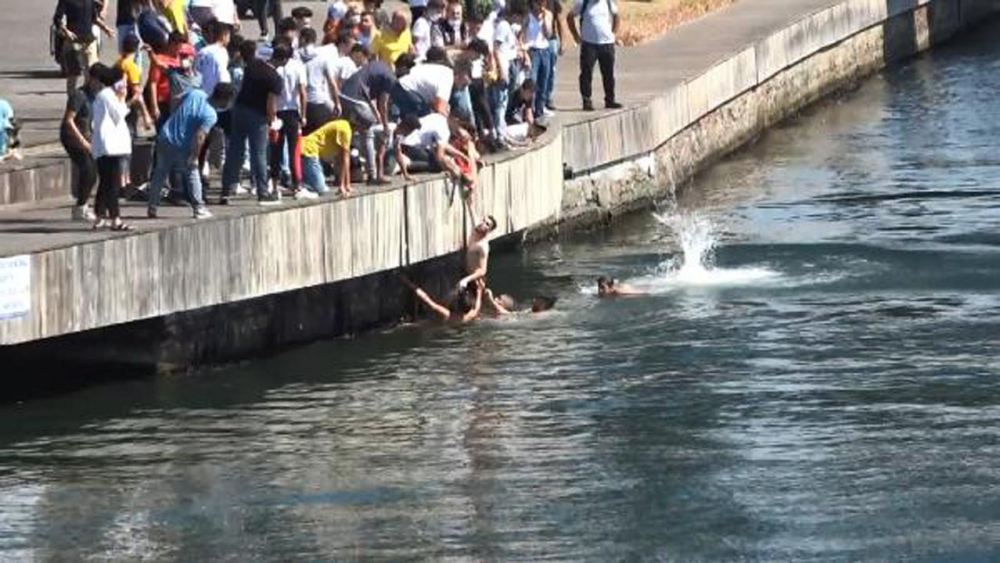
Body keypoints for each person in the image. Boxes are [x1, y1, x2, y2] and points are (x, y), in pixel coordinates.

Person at [148, 84, 236, 218]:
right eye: (230, 101)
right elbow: (200, 136)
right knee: (192, 173)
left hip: (165, 135)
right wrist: (195, 157)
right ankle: (199, 208)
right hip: (181, 144)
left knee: (160, 173)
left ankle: (152, 207)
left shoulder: (196, 93)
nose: (230, 104)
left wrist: (176, 117)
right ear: (225, 99)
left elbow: (176, 99)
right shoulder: (211, 114)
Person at [221, 40, 284, 205]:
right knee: (259, 154)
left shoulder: (252, 67)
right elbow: (271, 103)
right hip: (257, 116)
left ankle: (225, 190)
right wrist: (272, 122)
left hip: (239, 110)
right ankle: (263, 192)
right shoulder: (275, 78)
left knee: (235, 151)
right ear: (284, 61)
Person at [339, 56, 407, 184]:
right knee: (368, 132)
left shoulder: (379, 66)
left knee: (348, 132)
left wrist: (374, 112)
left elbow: (368, 92)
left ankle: (340, 174)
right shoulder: (390, 79)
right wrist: (386, 126)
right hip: (355, 99)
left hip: (343, 95)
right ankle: (373, 175)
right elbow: (383, 103)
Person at [90, 66, 133, 230]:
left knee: (105, 182)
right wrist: (123, 98)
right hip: (110, 146)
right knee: (112, 183)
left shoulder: (102, 95)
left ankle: (99, 216)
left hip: (107, 145)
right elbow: (119, 113)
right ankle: (115, 218)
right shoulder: (107, 95)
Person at [61, 64, 105, 221]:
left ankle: (83, 205)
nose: (102, 86)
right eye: (100, 82)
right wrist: (83, 142)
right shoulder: (79, 95)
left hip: (87, 136)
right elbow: (68, 121)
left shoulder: (97, 96)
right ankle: (80, 208)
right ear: (92, 79)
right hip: (71, 136)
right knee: (88, 168)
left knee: (95, 172)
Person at [568, 0, 621, 111]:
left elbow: (616, 16)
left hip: (607, 44)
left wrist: (614, 34)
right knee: (586, 73)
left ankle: (610, 100)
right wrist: (576, 36)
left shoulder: (607, 2)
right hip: (589, 44)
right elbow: (570, 17)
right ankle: (587, 100)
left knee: (608, 73)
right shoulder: (583, 3)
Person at [269, 40, 307, 196]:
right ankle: (297, 184)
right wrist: (304, 115)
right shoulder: (298, 66)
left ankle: (275, 186)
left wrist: (270, 117)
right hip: (292, 111)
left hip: (277, 112)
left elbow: (270, 96)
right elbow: (303, 92)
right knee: (294, 150)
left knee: (276, 151)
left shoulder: (273, 68)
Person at [53, 0, 114, 94]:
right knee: (73, 75)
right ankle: (72, 102)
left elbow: (94, 18)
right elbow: (57, 19)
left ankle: (88, 99)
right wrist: (66, 32)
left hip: (89, 42)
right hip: (73, 43)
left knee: (93, 72)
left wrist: (105, 29)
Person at [393, 113, 469, 183]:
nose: (457, 135)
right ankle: (408, 165)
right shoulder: (444, 131)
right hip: (409, 145)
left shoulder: (439, 118)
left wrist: (461, 155)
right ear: (456, 121)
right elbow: (440, 157)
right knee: (436, 166)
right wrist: (452, 170)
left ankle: (406, 163)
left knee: (437, 159)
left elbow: (444, 145)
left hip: (408, 142)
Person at [392, 46, 453, 116]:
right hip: (409, 91)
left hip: (398, 86)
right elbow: (439, 109)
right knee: (424, 120)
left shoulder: (423, 63)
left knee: (410, 122)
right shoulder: (447, 75)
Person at [299, 118, 353, 197]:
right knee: (320, 188)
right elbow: (344, 160)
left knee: (323, 187)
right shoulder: (346, 130)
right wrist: (341, 186)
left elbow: (344, 159)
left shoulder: (343, 125)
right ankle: (300, 185)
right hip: (308, 151)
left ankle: (302, 182)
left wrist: (347, 185)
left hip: (306, 149)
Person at [400, 276, 483, 324]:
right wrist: (480, 289)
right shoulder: (471, 314)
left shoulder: (447, 315)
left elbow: (427, 300)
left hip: (431, 326)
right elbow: (477, 305)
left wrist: (408, 282)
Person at [457, 192, 498, 290]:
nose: (483, 223)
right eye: (484, 220)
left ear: (489, 230)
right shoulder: (476, 227)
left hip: (475, 281)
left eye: (487, 224)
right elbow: (470, 205)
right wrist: (468, 193)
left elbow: (483, 270)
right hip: (465, 272)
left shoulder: (483, 246)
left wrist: (466, 280)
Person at [524, 0, 553, 118]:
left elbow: (548, 34)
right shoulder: (528, 16)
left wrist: (545, 19)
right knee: (532, 81)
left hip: (545, 50)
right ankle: (529, 110)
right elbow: (523, 34)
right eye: (538, 3)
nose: (541, 6)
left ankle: (540, 110)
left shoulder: (548, 14)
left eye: (543, 3)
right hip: (532, 50)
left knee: (544, 81)